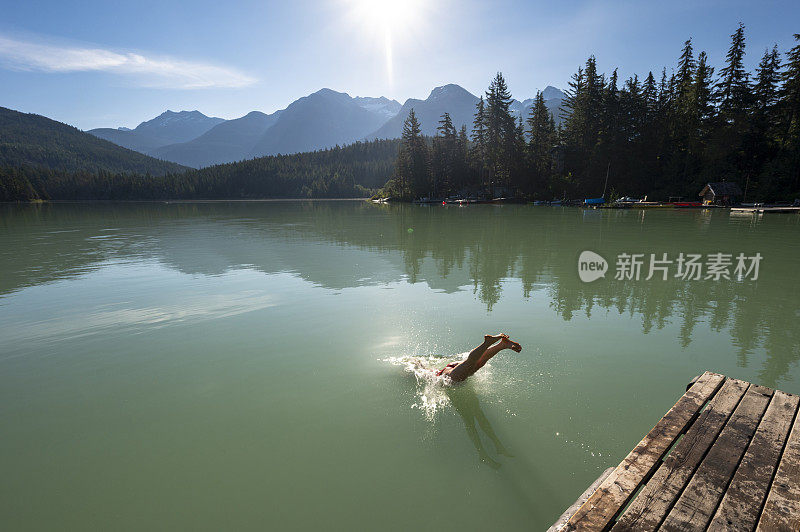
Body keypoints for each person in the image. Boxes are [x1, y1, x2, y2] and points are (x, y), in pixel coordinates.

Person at [436, 333, 521, 382]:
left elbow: (424, 372)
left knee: (470, 363)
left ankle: (487, 343)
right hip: (451, 368)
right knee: (478, 363)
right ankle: (502, 345)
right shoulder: (432, 373)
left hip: (448, 375)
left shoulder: (431, 376)